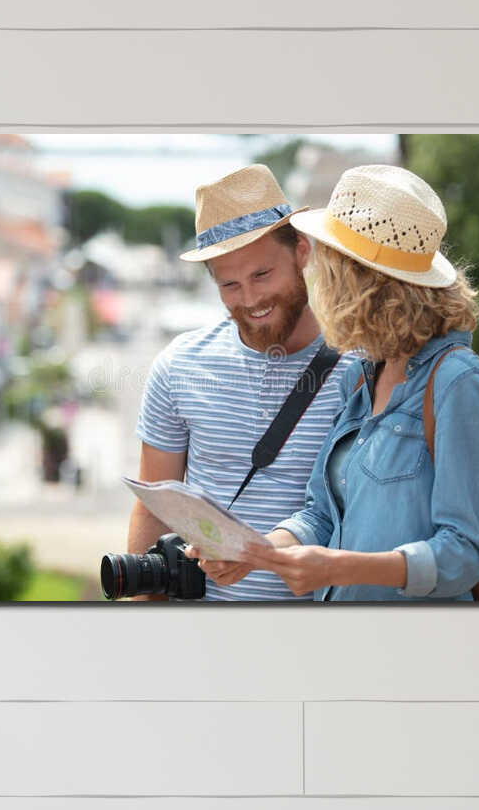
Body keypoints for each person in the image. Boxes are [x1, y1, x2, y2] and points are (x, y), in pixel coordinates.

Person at [200, 164, 479, 602]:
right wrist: (256, 552)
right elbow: (322, 515)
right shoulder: (361, 376)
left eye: (325, 261)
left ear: (358, 282)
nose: (315, 274)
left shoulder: (459, 384)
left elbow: (463, 553)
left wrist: (337, 566)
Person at [127, 165, 351, 601]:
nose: (250, 300)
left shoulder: (363, 366)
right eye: (230, 284)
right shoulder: (179, 367)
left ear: (301, 251)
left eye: (262, 275)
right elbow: (153, 511)